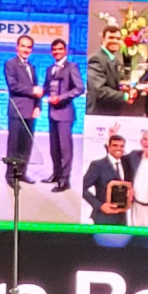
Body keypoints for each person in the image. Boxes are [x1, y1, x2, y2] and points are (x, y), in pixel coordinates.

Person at [43, 39, 84, 192]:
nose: (57, 52)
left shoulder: (72, 67)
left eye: (60, 49)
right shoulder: (50, 69)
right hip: (51, 113)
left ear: (65, 50)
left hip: (65, 113)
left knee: (65, 149)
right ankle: (56, 174)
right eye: (54, 50)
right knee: (54, 148)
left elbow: (79, 88)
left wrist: (60, 98)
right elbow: (47, 88)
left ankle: (64, 180)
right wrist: (40, 92)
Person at [3, 35, 41, 185]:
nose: (26, 49)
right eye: (23, 46)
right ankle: (11, 177)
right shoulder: (10, 64)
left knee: (27, 145)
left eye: (29, 47)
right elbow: (13, 86)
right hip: (16, 112)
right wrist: (32, 90)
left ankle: (22, 173)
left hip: (31, 112)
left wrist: (38, 106)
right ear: (17, 47)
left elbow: (38, 89)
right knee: (14, 146)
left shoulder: (31, 67)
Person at [82, 134, 134, 226]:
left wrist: (130, 193)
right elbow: (82, 188)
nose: (119, 148)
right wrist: (100, 206)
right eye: (115, 145)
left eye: (121, 146)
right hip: (103, 217)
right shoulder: (98, 165)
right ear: (108, 147)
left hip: (122, 218)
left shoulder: (126, 165)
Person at [87, 26, 134, 115]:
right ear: (103, 39)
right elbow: (99, 90)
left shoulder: (116, 61)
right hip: (99, 113)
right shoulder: (96, 59)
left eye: (118, 38)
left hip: (112, 112)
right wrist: (124, 96)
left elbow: (116, 83)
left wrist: (125, 87)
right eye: (111, 38)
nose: (115, 41)